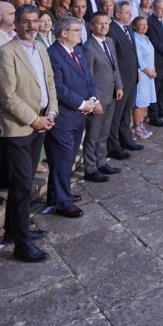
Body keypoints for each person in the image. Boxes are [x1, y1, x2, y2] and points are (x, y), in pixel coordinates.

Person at [0, 5, 56, 262]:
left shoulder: (40, 47)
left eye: (35, 21)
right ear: (16, 24)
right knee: (21, 185)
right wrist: (34, 119)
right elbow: (6, 95)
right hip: (18, 128)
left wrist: (52, 113)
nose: (31, 26)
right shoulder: (6, 53)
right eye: (25, 22)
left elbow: (49, 80)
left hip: (41, 121)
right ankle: (21, 243)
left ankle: (13, 230)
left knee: (25, 182)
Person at [46, 16, 96, 215]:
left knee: (68, 156)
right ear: (64, 33)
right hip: (64, 116)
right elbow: (57, 87)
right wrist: (82, 103)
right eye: (76, 30)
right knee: (62, 159)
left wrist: (93, 98)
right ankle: (63, 202)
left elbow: (88, 78)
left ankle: (56, 193)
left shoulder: (78, 51)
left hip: (79, 114)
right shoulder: (53, 54)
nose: (80, 33)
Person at [81, 13, 123, 183]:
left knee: (104, 132)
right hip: (98, 99)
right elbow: (88, 77)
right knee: (93, 135)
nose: (104, 27)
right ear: (92, 26)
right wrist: (94, 100)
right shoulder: (88, 48)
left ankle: (101, 162)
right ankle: (90, 169)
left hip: (111, 94)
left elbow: (115, 66)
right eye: (100, 24)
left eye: (106, 23)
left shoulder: (109, 42)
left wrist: (119, 85)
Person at [105, 1, 143, 157]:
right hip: (121, 80)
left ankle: (126, 139)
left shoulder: (127, 28)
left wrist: (137, 70)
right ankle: (113, 147)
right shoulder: (112, 31)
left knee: (126, 111)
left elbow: (132, 52)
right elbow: (112, 59)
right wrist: (118, 82)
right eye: (127, 12)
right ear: (118, 14)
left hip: (132, 76)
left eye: (130, 12)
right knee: (117, 114)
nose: (130, 15)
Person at [130, 16, 157, 139]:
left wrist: (153, 69)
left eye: (146, 24)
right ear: (135, 26)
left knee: (145, 101)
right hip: (142, 74)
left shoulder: (145, 38)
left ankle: (141, 125)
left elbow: (151, 55)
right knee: (140, 102)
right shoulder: (135, 38)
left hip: (149, 74)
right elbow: (139, 59)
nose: (144, 27)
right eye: (141, 24)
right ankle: (137, 127)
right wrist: (149, 71)